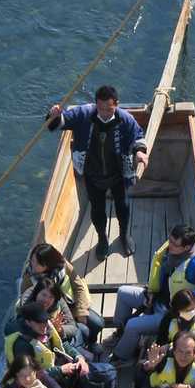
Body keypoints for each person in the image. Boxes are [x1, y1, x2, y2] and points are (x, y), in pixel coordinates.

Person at [46, 85, 148, 260]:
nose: (104, 113)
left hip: (118, 174)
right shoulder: (83, 114)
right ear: (96, 104)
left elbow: (138, 136)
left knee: (123, 206)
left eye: (109, 109)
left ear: (116, 104)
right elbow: (56, 124)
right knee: (97, 210)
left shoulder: (126, 119)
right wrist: (53, 115)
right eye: (101, 108)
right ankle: (102, 239)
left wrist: (139, 152)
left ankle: (124, 235)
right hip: (92, 174)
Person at [107, 223, 195, 360]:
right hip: (157, 299)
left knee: (133, 326)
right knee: (122, 293)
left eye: (174, 244)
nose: (169, 245)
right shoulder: (173, 251)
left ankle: (120, 357)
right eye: (170, 240)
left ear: (186, 247)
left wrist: (192, 297)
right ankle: (120, 333)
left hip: (169, 312)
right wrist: (151, 293)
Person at [23, 241, 102, 346]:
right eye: (32, 260)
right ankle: (82, 346)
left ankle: (92, 343)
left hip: (72, 306)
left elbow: (78, 286)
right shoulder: (29, 278)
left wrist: (81, 311)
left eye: (36, 262)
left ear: (47, 264)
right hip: (53, 314)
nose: (31, 264)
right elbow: (26, 303)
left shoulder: (63, 266)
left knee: (98, 323)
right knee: (82, 330)